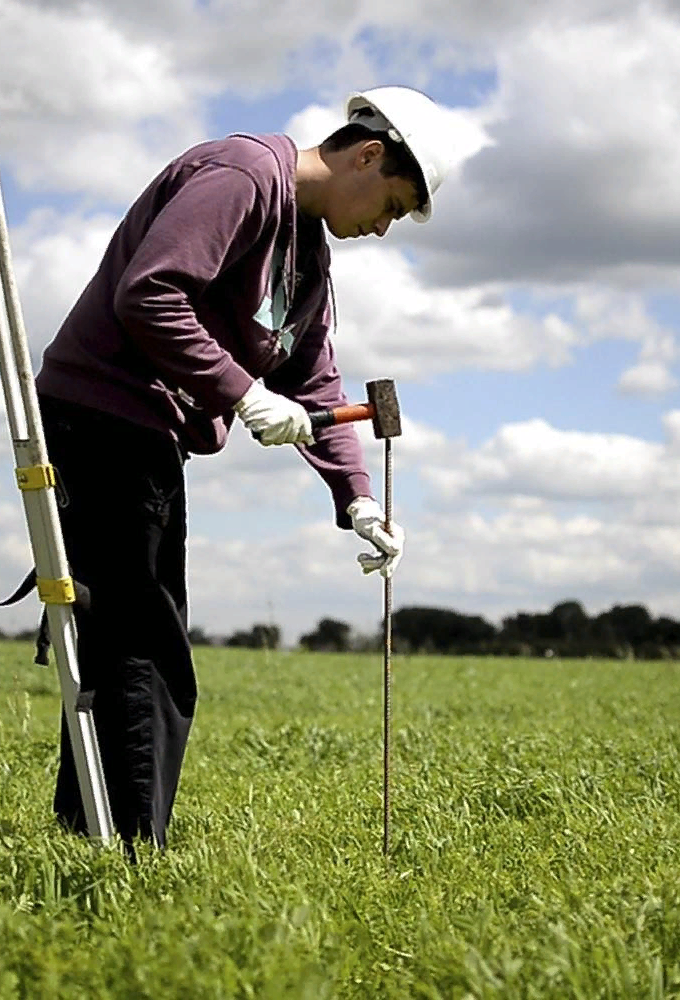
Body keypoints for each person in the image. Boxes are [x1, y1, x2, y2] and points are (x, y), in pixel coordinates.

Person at [35, 86, 464, 852]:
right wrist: (242, 393)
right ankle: (130, 852)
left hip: (147, 437)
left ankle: (87, 833)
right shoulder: (243, 177)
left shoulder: (307, 250)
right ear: (368, 155)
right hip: (100, 417)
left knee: (127, 636)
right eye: (393, 206)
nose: (383, 230)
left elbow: (317, 381)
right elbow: (151, 294)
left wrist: (357, 499)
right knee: (145, 645)